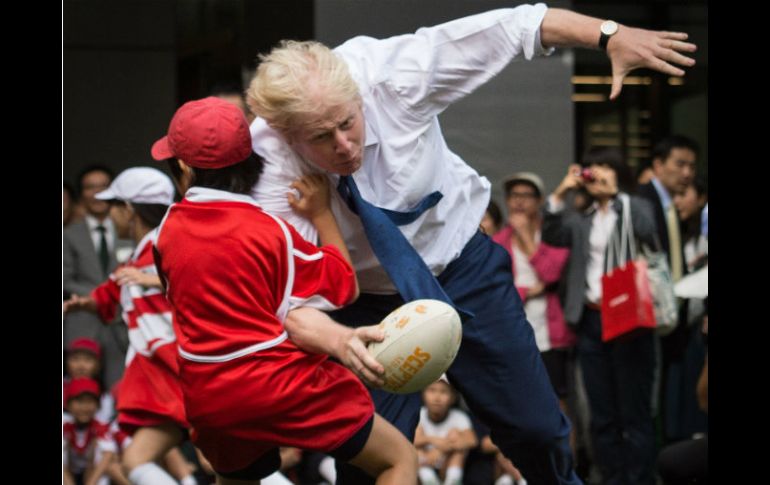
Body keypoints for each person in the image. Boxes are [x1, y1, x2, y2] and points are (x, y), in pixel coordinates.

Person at [244, 5, 696, 483]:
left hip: (462, 269)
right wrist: (340, 341)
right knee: (367, 461)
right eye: (321, 137)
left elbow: (515, 27)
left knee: (538, 431)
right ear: (287, 135)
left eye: (348, 123)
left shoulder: (394, 77)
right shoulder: (269, 164)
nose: (344, 144)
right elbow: (287, 300)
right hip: (366, 305)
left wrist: (608, 34)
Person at [151, 97, 417, 485]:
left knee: (236, 480)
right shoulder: (270, 231)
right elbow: (344, 286)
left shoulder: (165, 232)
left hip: (207, 392)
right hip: (277, 384)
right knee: (398, 460)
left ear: (184, 167)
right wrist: (322, 214)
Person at [63, 167, 197, 485]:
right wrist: (81, 304)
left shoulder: (168, 247)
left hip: (187, 375)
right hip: (167, 377)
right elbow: (106, 295)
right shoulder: (135, 260)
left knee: (228, 462)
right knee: (136, 461)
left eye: (113, 206)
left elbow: (199, 283)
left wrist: (154, 280)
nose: (109, 214)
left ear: (128, 210)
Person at [542, 149, 658, 484]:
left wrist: (618, 196)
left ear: (619, 172)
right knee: (601, 411)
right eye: (594, 168)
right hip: (592, 319)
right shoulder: (583, 219)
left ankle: (639, 478)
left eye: (606, 166)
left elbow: (650, 232)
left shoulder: (635, 207)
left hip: (630, 317)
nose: (599, 173)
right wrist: (562, 191)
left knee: (634, 410)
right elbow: (552, 233)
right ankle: (611, 476)